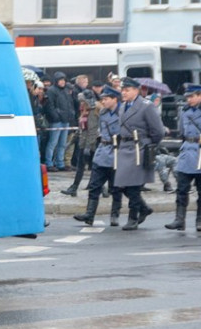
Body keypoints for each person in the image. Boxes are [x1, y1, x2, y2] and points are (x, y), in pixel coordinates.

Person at [115, 77, 166, 230]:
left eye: (127, 90)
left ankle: (133, 217)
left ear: (136, 91)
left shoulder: (146, 106)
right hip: (125, 147)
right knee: (120, 185)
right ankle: (144, 208)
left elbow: (158, 131)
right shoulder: (122, 106)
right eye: (123, 90)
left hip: (139, 149)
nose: (123, 93)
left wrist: (148, 145)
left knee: (134, 186)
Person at [73, 86, 124, 226]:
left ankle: (115, 215)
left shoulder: (123, 112)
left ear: (115, 99)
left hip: (116, 152)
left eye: (106, 99)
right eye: (102, 99)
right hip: (103, 151)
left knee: (116, 187)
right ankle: (89, 215)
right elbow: (98, 131)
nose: (104, 101)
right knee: (94, 185)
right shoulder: (103, 113)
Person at [165, 83, 201, 231]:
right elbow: (181, 131)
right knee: (181, 189)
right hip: (187, 152)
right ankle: (179, 219)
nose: (189, 100)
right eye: (187, 97)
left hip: (200, 154)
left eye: (192, 97)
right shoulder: (185, 112)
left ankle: (199, 221)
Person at [44, 71, 76, 171]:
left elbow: (70, 103)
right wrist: (56, 116)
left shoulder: (65, 90)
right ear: (56, 81)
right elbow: (50, 105)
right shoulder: (51, 90)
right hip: (57, 121)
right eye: (60, 80)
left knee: (62, 143)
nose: (62, 82)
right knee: (53, 143)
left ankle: (60, 163)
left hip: (65, 119)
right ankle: (49, 163)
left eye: (63, 80)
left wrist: (71, 114)